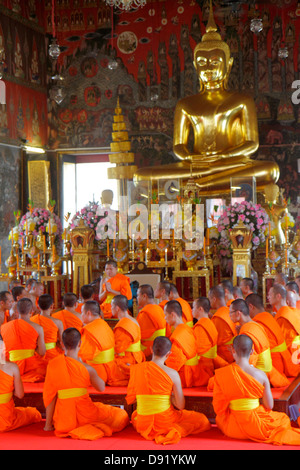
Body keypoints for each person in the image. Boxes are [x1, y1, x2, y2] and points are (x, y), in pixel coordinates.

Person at [133, 1, 279, 195]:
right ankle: (206, 185)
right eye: (202, 63)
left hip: (230, 164)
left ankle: (199, 187)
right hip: (195, 166)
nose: (208, 68)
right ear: (195, 65)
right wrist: (193, 159)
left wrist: (221, 156)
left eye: (215, 62)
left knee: (270, 170)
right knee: (141, 177)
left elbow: (252, 144)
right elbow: (178, 146)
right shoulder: (185, 104)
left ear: (228, 64)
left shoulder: (242, 101)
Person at [213, 334, 300, 445]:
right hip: (257, 427)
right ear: (251, 351)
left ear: (233, 350)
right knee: (283, 419)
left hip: (233, 428)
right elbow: (269, 406)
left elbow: (218, 408)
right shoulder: (261, 375)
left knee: (219, 420)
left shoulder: (223, 374)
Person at [43, 327, 129, 440]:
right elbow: (101, 388)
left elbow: (50, 396)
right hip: (87, 414)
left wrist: (48, 425)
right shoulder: (87, 368)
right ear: (80, 344)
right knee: (121, 415)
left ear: (62, 344)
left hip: (63, 421)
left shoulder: (53, 364)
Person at [126, 336, 211, 445]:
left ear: (151, 349)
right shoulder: (173, 373)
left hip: (143, 422)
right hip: (165, 421)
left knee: (135, 414)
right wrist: (167, 396)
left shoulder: (136, 369)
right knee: (202, 420)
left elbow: (132, 398)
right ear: (168, 354)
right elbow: (180, 405)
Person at [229, 299, 290, 388]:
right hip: (267, 372)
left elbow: (249, 362)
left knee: (218, 380)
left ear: (238, 313)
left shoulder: (247, 330)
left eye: (230, 313)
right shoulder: (255, 325)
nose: (229, 316)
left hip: (258, 375)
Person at [245, 293, 300, 379]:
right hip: (283, 359)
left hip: (272, 365)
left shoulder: (258, 323)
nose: (268, 296)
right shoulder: (270, 317)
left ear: (251, 307)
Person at [0, 335, 42, 432]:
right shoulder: (12, 367)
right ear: (4, 349)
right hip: (6, 420)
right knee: (33, 413)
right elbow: (20, 394)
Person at [0, 298, 47, 382]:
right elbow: (42, 352)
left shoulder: (3, 327)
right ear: (31, 311)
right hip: (32, 368)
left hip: (12, 366)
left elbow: (2, 352)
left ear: (17, 311)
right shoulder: (38, 328)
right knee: (47, 369)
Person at [79, 300, 122, 386]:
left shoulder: (89, 330)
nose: (81, 316)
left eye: (81, 313)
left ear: (88, 313)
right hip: (111, 370)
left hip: (97, 373)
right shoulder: (105, 325)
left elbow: (83, 355)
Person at [164, 300, 200, 387]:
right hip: (195, 373)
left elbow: (174, 364)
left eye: (165, 315)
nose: (164, 318)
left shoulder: (177, 335)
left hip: (185, 377)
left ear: (173, 315)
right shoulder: (188, 329)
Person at [192, 297, 228, 386]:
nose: (191, 310)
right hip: (209, 365)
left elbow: (199, 351)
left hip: (202, 369)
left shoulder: (200, 327)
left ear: (200, 309)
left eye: (193, 307)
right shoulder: (210, 323)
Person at [111, 295, 145, 383]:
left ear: (117, 308)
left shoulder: (124, 325)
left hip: (128, 360)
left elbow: (118, 349)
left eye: (111, 306)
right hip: (137, 357)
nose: (110, 308)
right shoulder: (133, 320)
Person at [136, 284, 167, 359]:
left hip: (150, 350)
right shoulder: (159, 308)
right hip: (162, 346)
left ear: (144, 296)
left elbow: (139, 335)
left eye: (138, 295)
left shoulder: (145, 313)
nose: (136, 298)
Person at [31, 294, 64, 362]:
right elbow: (62, 343)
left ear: (38, 306)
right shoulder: (58, 322)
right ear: (52, 306)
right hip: (52, 355)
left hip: (36, 354)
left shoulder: (31, 320)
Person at [209, 286, 237, 363]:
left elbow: (214, 340)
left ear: (214, 299)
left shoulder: (218, 317)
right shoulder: (230, 311)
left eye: (210, 299)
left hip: (225, 354)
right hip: (235, 350)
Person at [271, 284, 300, 357]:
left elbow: (279, 341)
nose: (268, 297)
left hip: (292, 354)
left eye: (270, 294)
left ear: (278, 296)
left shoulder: (283, 316)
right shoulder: (294, 311)